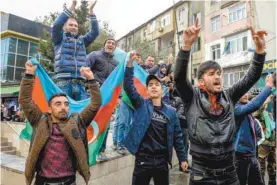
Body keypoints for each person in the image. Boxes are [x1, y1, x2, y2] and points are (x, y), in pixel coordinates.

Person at [174, 18, 267, 185]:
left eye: (219, 73)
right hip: (201, 174)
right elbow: (179, 79)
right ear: (201, 81)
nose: (217, 76)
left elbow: (251, 77)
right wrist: (186, 47)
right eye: (211, 74)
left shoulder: (229, 96)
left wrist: (259, 51)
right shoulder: (191, 98)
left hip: (229, 173)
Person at [19, 61, 101, 185]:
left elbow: (95, 104)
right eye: (58, 104)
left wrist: (91, 79)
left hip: (69, 182)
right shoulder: (40, 121)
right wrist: (29, 74)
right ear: (49, 109)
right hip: (43, 182)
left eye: (66, 104)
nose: (63, 107)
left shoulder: (77, 122)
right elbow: (25, 100)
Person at [124, 51, 188, 185]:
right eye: (150, 85)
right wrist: (130, 65)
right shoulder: (141, 104)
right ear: (147, 90)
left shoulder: (171, 112)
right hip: (143, 160)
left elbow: (177, 137)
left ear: (162, 90)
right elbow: (129, 87)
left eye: (156, 84)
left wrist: (183, 159)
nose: (153, 87)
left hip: (162, 161)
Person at [52, 0, 99, 101]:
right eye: (71, 25)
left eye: (75, 26)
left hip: (80, 83)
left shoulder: (82, 41)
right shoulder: (59, 39)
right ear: (65, 27)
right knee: (63, 112)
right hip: (63, 82)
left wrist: (91, 11)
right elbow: (56, 25)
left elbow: (95, 32)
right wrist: (72, 5)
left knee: (81, 114)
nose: (74, 27)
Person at [234, 75, 274, 185]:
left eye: (247, 91)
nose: (246, 94)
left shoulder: (246, 106)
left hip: (252, 154)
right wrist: (268, 86)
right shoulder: (236, 108)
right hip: (240, 156)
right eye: (243, 92)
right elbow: (255, 105)